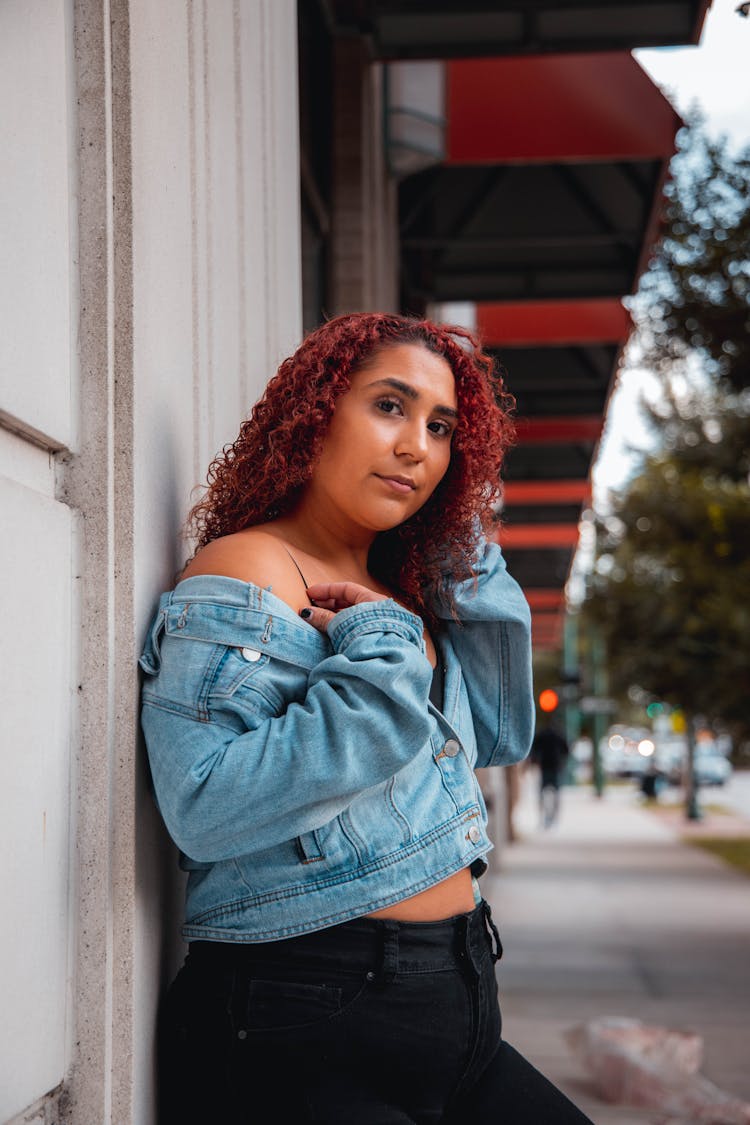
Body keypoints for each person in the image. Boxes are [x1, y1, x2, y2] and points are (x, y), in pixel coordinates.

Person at [139, 313, 594, 1123]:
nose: (417, 445)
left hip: (456, 1004)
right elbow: (205, 806)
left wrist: (449, 546)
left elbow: (498, 727)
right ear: (316, 412)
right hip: (309, 1019)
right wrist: (384, 650)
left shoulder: (402, 585)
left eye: (442, 426)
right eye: (390, 405)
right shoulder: (252, 566)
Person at [531, 724, 570, 828]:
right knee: (555, 794)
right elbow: (566, 750)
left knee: (543, 794)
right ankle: (553, 818)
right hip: (554, 766)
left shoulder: (542, 735)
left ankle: (544, 817)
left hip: (546, 767)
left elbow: (534, 749)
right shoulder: (558, 734)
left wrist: (534, 761)